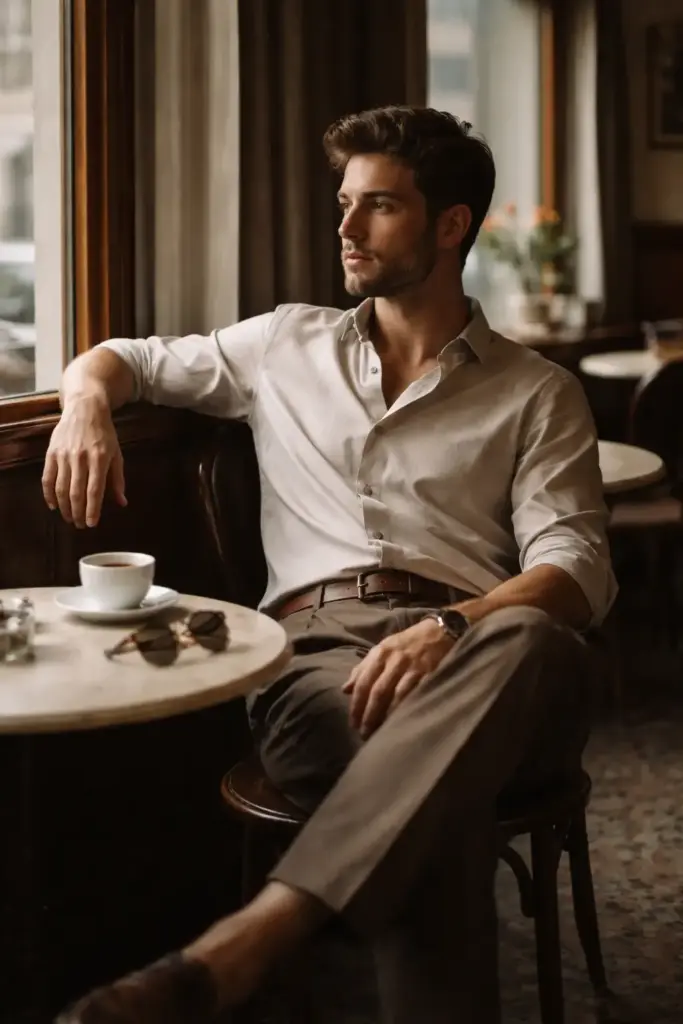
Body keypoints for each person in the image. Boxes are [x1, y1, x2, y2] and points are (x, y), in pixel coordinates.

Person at [46, 106, 615, 1024]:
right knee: (436, 803)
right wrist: (81, 406)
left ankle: (247, 943)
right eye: (343, 203)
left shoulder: (536, 393)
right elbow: (127, 361)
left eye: (377, 206)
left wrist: (450, 627)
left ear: (449, 225)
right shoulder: (282, 343)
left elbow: (575, 565)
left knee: (533, 642)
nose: (344, 229)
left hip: (487, 657)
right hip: (319, 665)